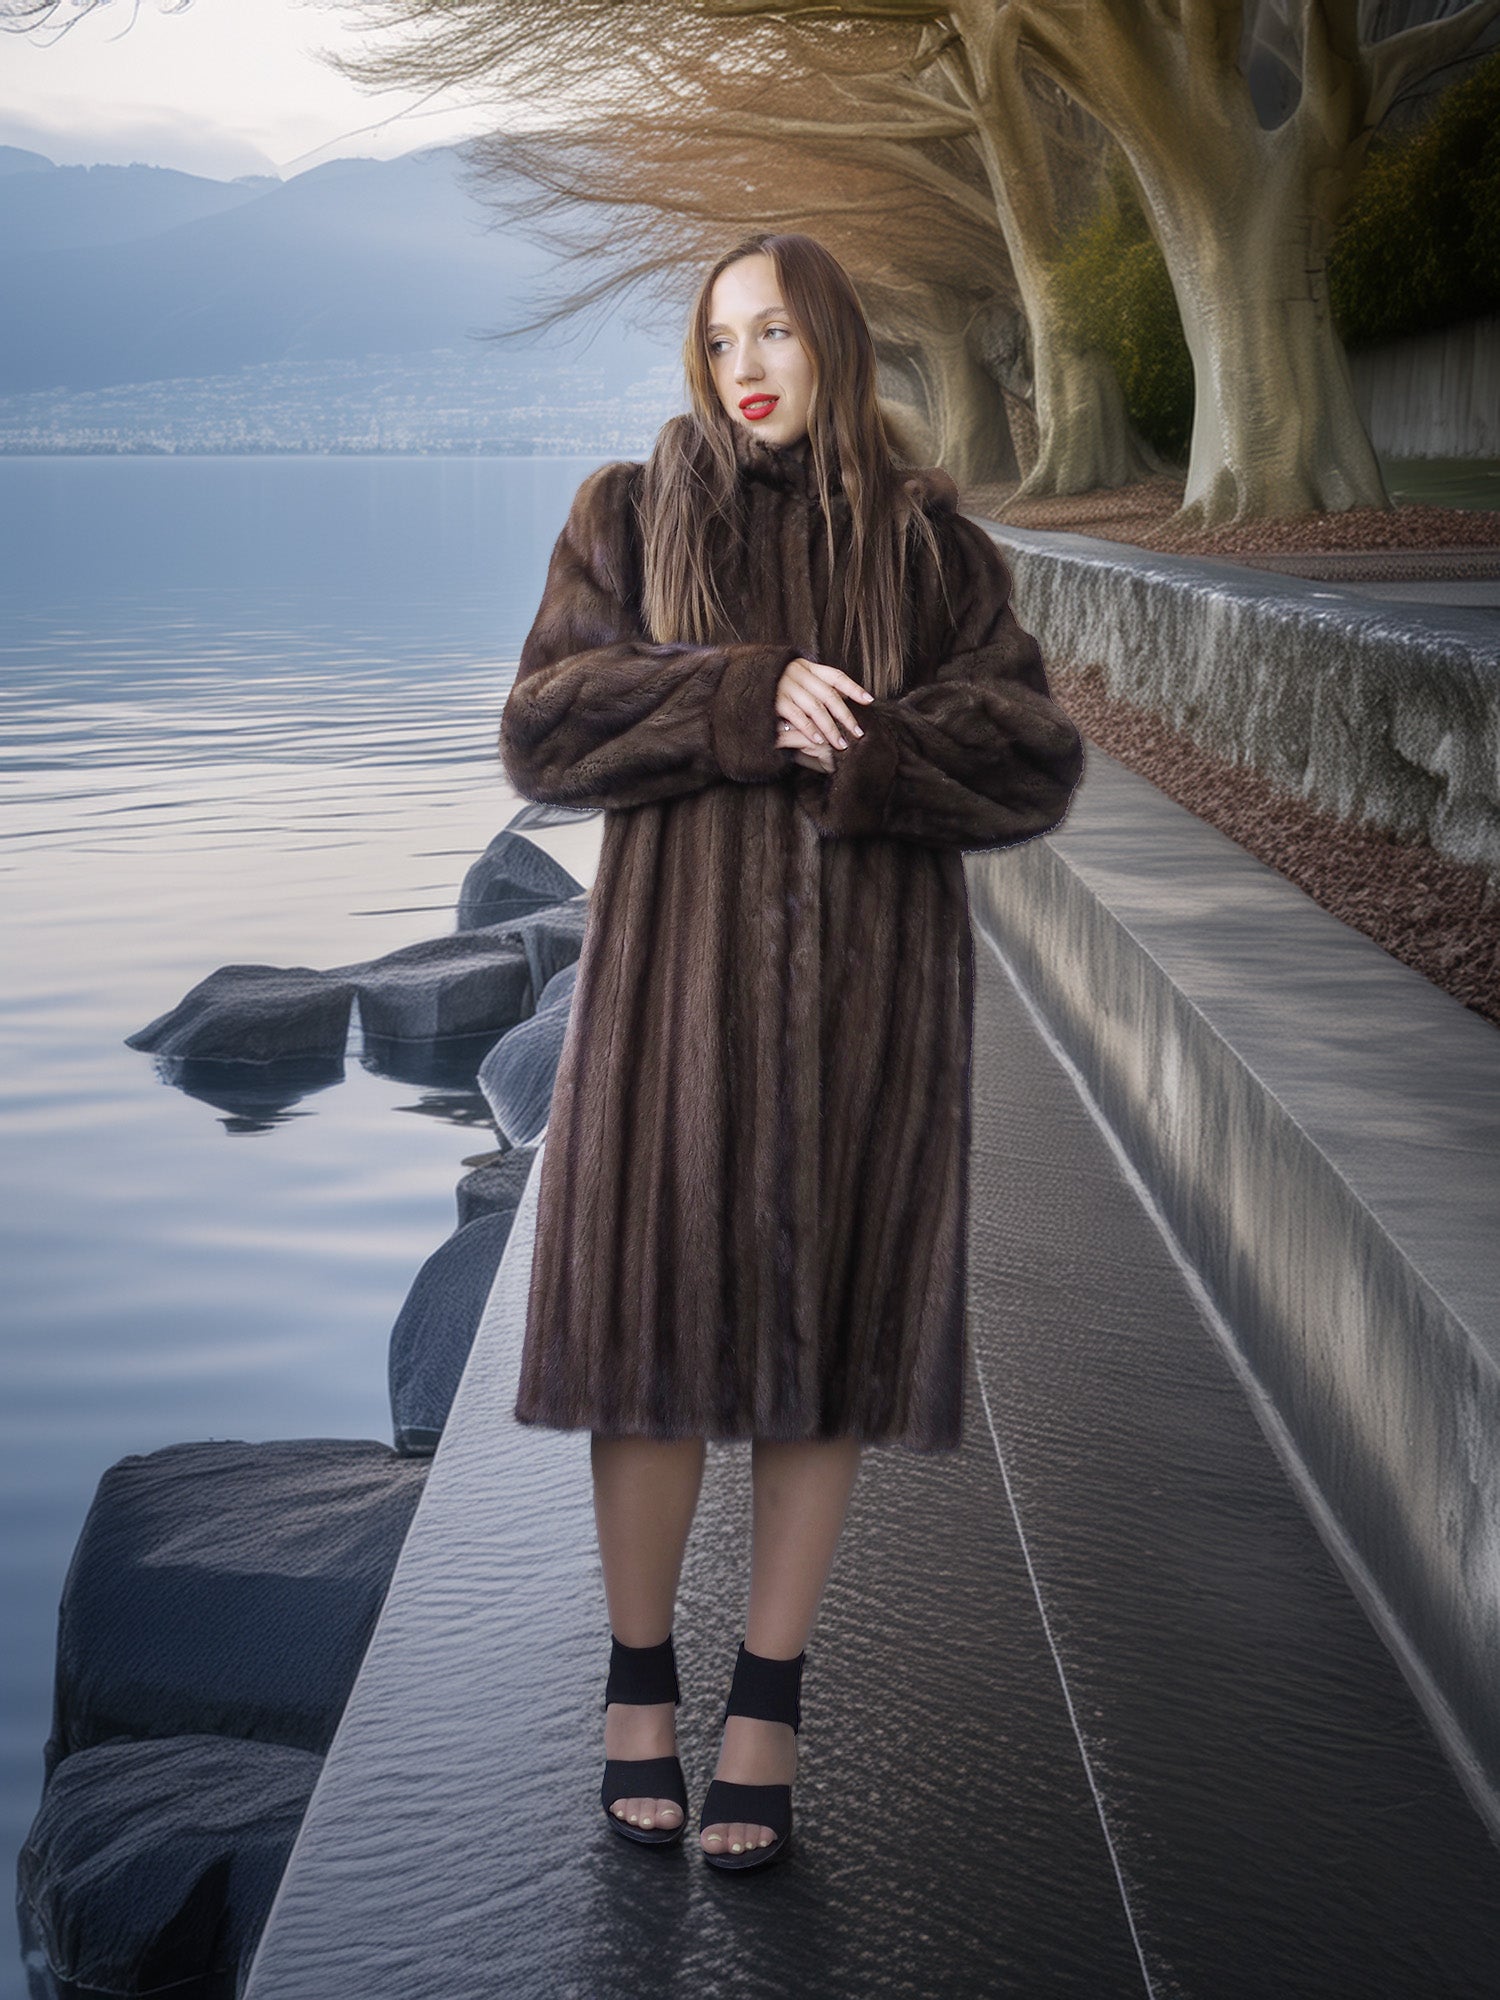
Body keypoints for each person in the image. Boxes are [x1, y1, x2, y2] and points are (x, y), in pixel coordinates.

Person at [498, 231, 1084, 1871]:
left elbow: (1030, 758)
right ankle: (637, 1687)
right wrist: (739, 698)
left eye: (773, 332)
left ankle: (770, 1703)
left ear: (833, 340)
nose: (744, 365)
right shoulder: (629, 513)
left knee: (823, 1361)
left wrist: (874, 744)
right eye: (719, 338)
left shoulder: (931, 547)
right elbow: (545, 726)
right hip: (670, 1008)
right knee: (645, 1349)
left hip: (868, 1006)